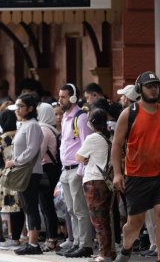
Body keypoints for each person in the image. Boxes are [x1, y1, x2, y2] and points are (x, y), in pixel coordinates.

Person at [111, 71, 160, 262]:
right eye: (150, 86)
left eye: (156, 86)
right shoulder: (129, 113)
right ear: (140, 89)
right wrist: (117, 174)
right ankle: (125, 248)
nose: (154, 89)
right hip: (136, 175)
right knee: (135, 223)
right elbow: (116, 145)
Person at [57, 83, 94, 258]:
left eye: (63, 96)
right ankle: (77, 241)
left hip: (76, 169)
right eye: (60, 96)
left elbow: (86, 145)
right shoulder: (65, 117)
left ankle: (85, 244)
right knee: (71, 209)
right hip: (65, 169)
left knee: (80, 209)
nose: (60, 99)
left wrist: (81, 170)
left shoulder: (80, 117)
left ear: (72, 97)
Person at [76, 109, 115, 262]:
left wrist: (86, 158)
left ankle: (104, 254)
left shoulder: (93, 137)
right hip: (103, 182)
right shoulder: (107, 137)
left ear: (91, 122)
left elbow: (79, 157)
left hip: (94, 181)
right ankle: (107, 252)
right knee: (104, 218)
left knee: (98, 219)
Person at [7, 94, 44, 255]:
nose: (18, 109)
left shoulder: (33, 126)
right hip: (24, 172)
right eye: (17, 106)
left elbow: (32, 149)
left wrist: (15, 161)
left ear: (30, 108)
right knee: (27, 207)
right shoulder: (24, 124)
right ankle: (30, 241)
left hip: (30, 172)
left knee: (31, 207)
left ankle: (34, 243)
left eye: (21, 106)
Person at [37, 103, 61, 252]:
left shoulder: (44, 130)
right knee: (47, 206)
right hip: (51, 169)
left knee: (47, 206)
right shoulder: (50, 129)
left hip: (47, 170)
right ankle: (51, 238)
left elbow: (39, 153)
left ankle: (52, 239)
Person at [0, 110, 25, 251]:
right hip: (21, 174)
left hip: (6, 176)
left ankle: (12, 239)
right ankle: (17, 237)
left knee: (10, 206)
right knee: (19, 206)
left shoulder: (2, 139)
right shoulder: (20, 134)